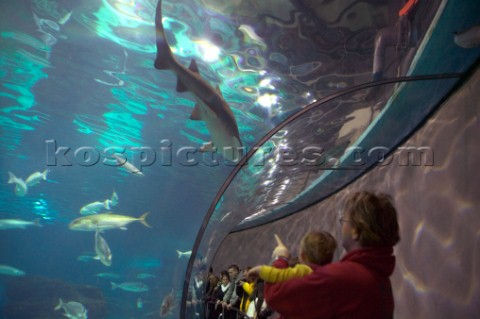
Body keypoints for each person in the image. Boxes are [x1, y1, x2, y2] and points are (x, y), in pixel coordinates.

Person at [263, 191, 400, 319]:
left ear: (356, 230)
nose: (342, 226)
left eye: (344, 221)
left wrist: (281, 258)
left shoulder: (343, 277)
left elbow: (275, 296)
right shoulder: (380, 280)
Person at [248, 231, 337, 283]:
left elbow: (278, 275)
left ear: (302, 255)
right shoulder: (331, 276)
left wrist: (260, 270)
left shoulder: (304, 271)